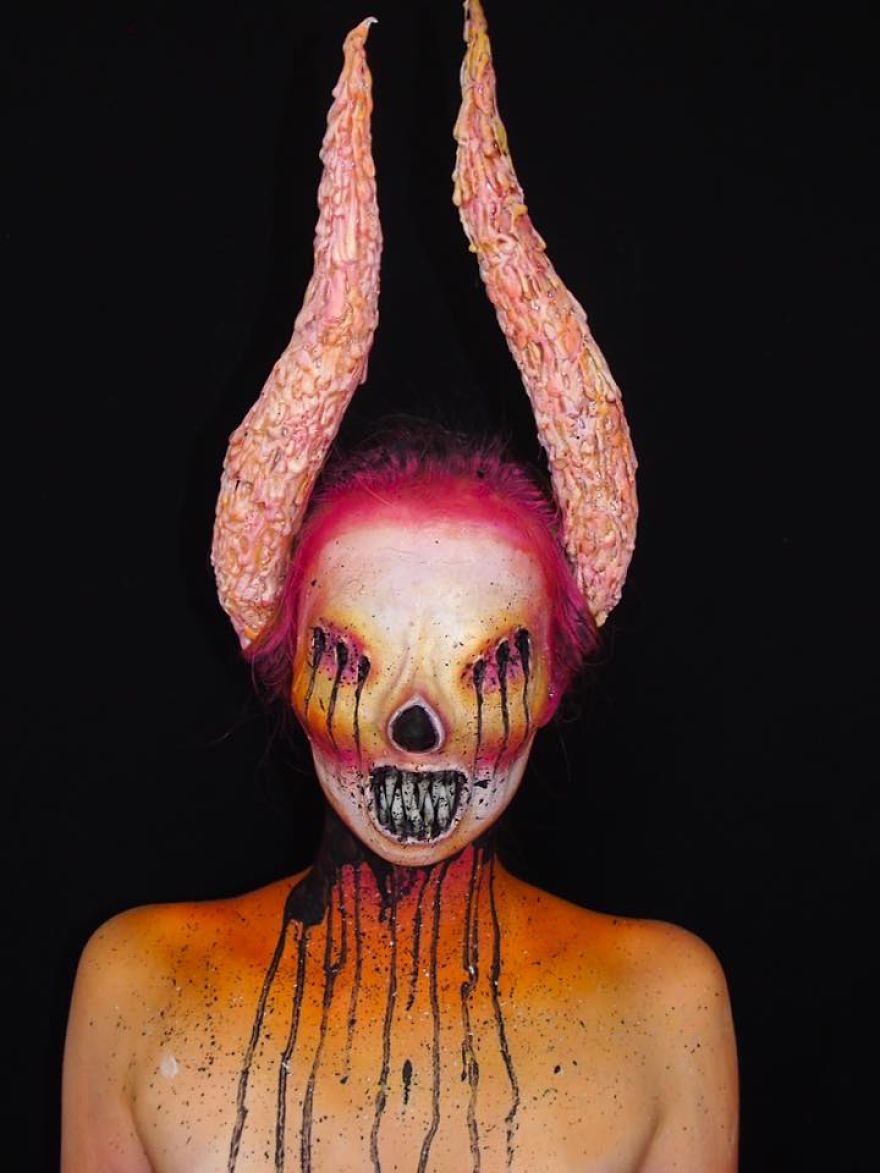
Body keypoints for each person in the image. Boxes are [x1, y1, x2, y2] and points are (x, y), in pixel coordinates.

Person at [62, 4, 737, 1170]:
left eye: (487, 663)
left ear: (551, 685)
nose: (415, 725)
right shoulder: (140, 984)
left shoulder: (662, 1004)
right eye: (352, 659)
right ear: (285, 666)